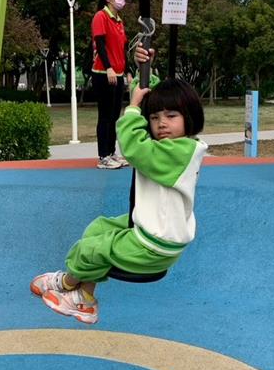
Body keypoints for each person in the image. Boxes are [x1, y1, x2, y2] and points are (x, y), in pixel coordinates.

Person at [30, 78, 207, 324]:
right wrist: (145, 77)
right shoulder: (177, 146)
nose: (161, 123)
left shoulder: (179, 152)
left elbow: (133, 146)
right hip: (154, 227)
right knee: (99, 228)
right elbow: (148, 98)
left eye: (171, 116)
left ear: (190, 116)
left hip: (154, 244)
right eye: (154, 117)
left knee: (91, 250)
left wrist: (133, 108)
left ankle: (72, 287)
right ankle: (83, 293)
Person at [91, 0, 132, 170]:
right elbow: (100, 44)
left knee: (115, 116)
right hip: (103, 73)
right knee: (105, 115)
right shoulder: (101, 16)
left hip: (119, 74)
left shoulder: (119, 20)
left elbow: (122, 49)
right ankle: (103, 156)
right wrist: (108, 67)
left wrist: (128, 70)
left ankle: (111, 152)